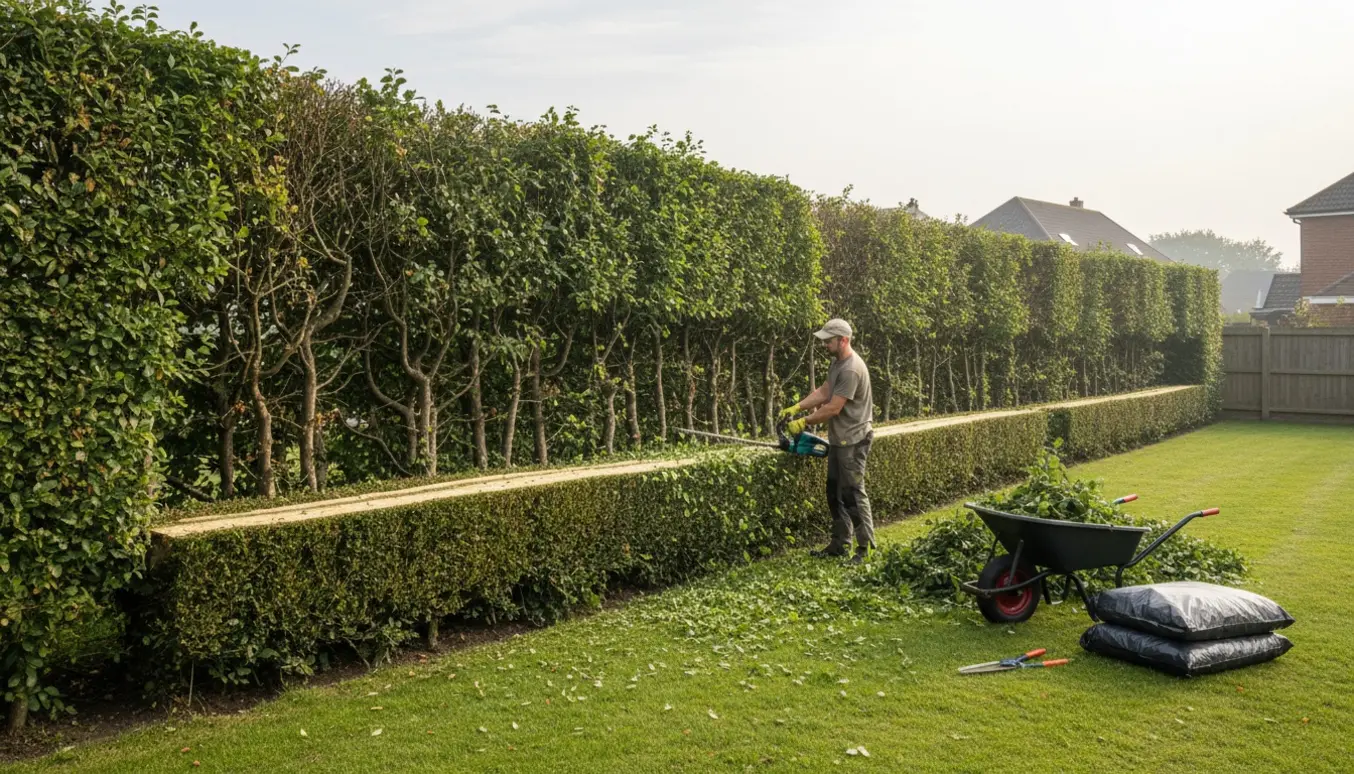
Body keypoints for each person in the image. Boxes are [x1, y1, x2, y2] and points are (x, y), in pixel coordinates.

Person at [778, 318, 874, 564]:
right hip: (839, 439)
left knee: (852, 493)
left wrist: (804, 422)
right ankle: (840, 544)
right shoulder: (837, 364)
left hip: (853, 440)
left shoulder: (851, 369)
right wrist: (797, 407)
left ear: (843, 340)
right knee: (834, 492)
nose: (824, 345)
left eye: (828, 341)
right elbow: (824, 391)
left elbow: (833, 407)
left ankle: (865, 549)